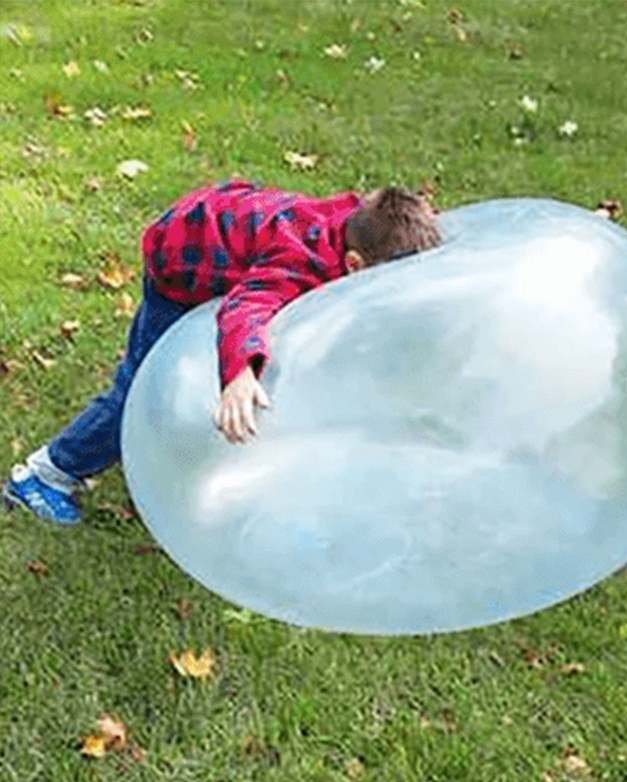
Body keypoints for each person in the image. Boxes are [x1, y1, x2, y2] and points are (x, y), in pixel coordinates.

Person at [2, 181, 443, 525]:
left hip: (225, 224)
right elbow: (244, 309)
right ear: (353, 266)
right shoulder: (298, 262)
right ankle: (44, 475)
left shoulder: (361, 223)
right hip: (181, 262)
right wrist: (239, 375)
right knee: (138, 392)